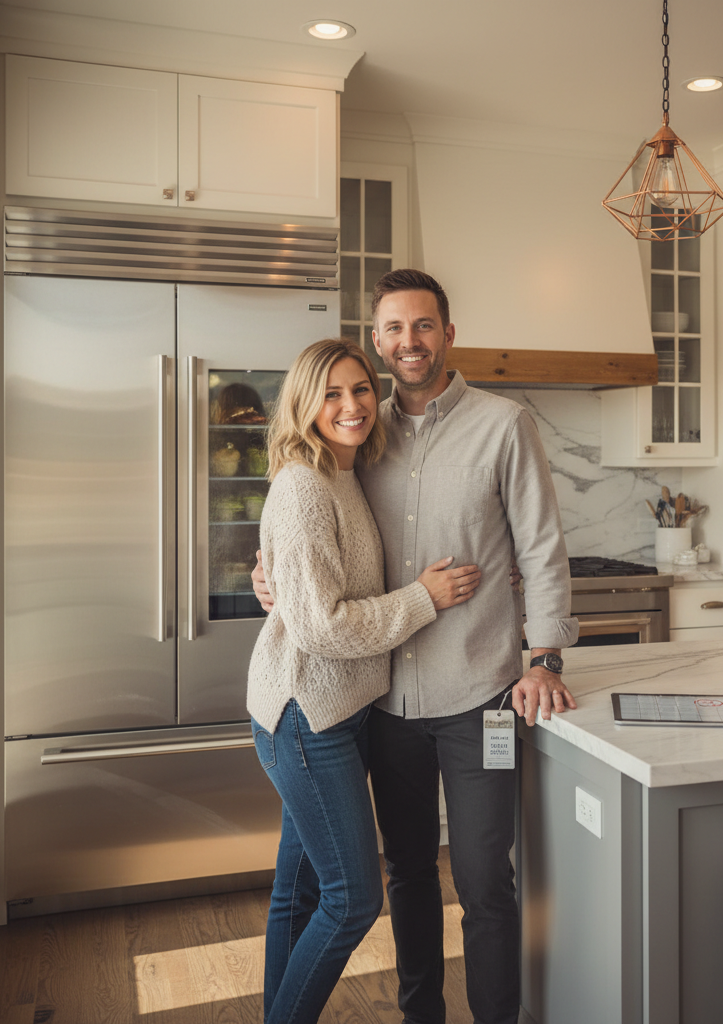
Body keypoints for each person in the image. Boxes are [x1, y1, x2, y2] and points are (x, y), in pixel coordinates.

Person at [253, 269, 579, 1024]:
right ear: (377, 341)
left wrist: (545, 659)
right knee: (406, 874)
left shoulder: (505, 425)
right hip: (384, 704)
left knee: (485, 881)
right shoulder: (358, 433)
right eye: (395, 328)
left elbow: (542, 550)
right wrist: (268, 574)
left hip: (480, 695)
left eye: (424, 325)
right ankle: (419, 1014)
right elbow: (306, 525)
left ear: (448, 333)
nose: (410, 341)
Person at [246, 338, 483, 1024]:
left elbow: (311, 588)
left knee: (299, 891)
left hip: (338, 714)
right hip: (305, 719)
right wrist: (423, 598)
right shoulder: (303, 487)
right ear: (304, 404)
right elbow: (321, 628)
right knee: (352, 900)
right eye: (331, 394)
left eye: (359, 390)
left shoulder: (346, 472)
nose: (351, 405)